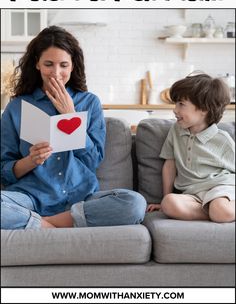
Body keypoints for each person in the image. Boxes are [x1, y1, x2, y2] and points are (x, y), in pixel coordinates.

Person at [1, 25, 146, 229]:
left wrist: (71, 115)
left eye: (63, 65)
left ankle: (42, 225)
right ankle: (52, 225)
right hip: (30, 198)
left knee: (134, 203)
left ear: (72, 66)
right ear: (37, 64)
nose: (56, 73)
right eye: (49, 64)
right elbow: (4, 170)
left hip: (81, 199)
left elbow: (93, 159)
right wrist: (31, 161)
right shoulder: (17, 107)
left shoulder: (89, 103)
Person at [147, 73, 235, 223]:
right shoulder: (175, 131)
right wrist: (163, 198)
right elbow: (170, 165)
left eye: (181, 104)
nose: (175, 110)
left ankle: (218, 211)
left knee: (220, 209)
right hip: (192, 196)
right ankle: (213, 213)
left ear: (203, 109)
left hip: (220, 189)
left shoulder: (222, 139)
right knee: (168, 203)